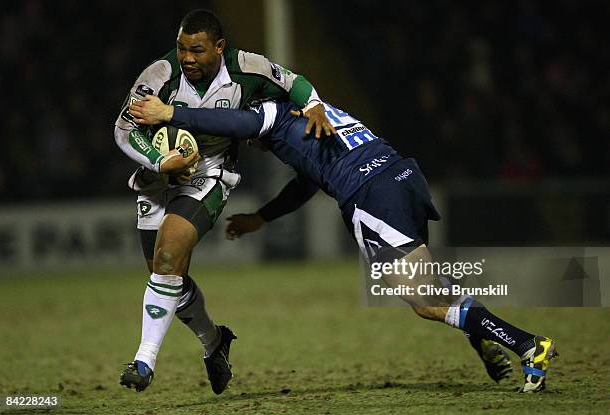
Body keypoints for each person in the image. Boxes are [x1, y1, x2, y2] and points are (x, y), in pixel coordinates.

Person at [128, 95, 558, 393]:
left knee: (423, 301)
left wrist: (171, 113)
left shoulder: (275, 115)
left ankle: (526, 344)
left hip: (371, 195)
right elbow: (307, 183)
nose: (250, 144)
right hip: (401, 175)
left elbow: (233, 122)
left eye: (249, 136)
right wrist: (261, 217)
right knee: (433, 285)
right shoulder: (314, 119)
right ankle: (483, 337)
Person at [114, 9, 335, 394]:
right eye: (182, 48)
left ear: (219, 48)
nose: (187, 58)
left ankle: (144, 361)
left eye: (197, 50)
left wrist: (314, 104)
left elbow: (293, 83)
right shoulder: (159, 76)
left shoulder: (247, 67)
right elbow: (123, 129)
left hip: (209, 175)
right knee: (168, 276)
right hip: (156, 178)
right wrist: (161, 160)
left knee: (168, 257)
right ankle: (214, 342)